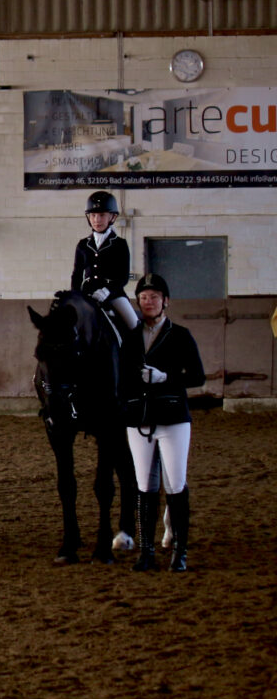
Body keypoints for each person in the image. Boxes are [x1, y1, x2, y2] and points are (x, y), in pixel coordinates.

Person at [120, 273, 204, 572]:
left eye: (154, 297)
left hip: (173, 418)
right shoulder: (129, 338)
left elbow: (197, 376)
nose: (149, 302)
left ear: (165, 301)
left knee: (176, 484)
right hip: (140, 420)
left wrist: (165, 378)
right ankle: (147, 551)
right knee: (144, 486)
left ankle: (179, 551)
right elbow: (122, 379)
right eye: (143, 298)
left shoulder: (180, 334)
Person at [72, 190, 139, 330]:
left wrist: (106, 291)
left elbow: (123, 277)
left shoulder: (120, 244)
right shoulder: (83, 244)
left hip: (113, 295)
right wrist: (75, 295)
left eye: (102, 215)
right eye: (93, 215)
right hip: (87, 294)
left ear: (112, 217)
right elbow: (77, 274)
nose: (97, 220)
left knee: (134, 325)